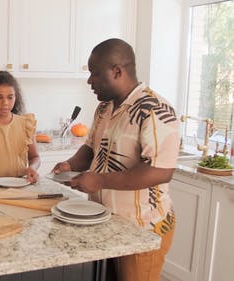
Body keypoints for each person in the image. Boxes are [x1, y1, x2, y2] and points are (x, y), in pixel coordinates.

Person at [52, 38, 179, 281]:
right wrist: (70, 164)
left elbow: (160, 172)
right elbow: (90, 149)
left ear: (117, 71)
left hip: (143, 227)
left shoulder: (154, 109)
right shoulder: (103, 108)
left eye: (94, 73)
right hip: (105, 220)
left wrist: (99, 181)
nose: (89, 81)